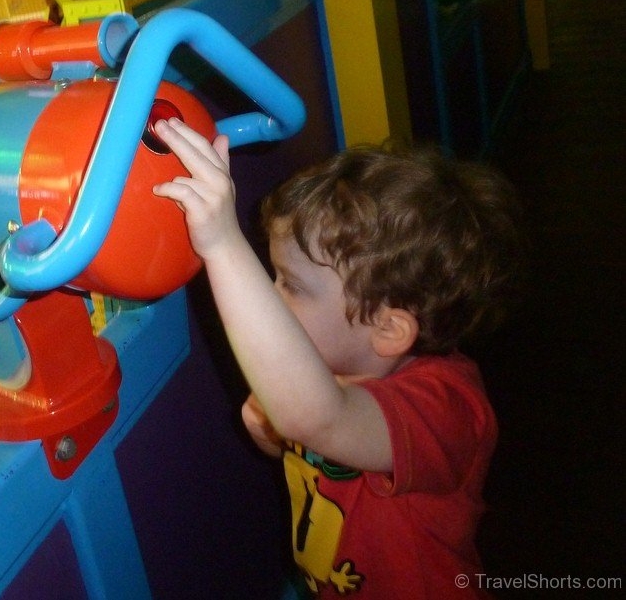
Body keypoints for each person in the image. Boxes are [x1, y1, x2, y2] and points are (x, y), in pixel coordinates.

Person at [151, 119, 525, 599]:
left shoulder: (447, 408)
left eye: (293, 286)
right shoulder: (332, 364)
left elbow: (319, 419)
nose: (270, 297)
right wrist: (271, 431)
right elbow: (308, 433)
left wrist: (224, 245)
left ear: (388, 330)